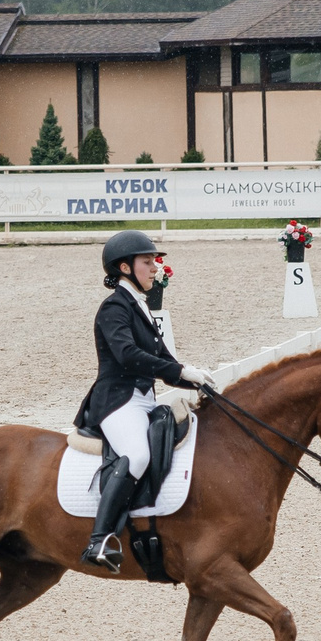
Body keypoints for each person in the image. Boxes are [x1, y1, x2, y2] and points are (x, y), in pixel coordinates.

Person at [74, 230, 216, 571]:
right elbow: (128, 355)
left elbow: (163, 363)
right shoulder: (113, 308)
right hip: (117, 401)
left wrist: (193, 380)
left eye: (154, 261)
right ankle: (99, 539)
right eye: (147, 262)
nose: (155, 267)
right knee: (136, 454)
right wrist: (182, 369)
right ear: (125, 267)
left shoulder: (139, 306)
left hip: (143, 398)